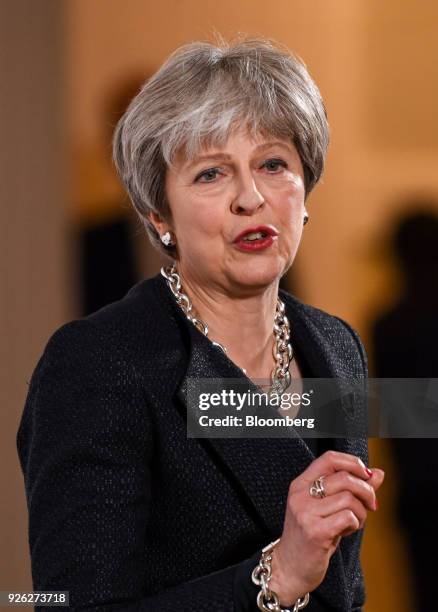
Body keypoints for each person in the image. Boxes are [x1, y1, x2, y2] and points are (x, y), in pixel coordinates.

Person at [17, 37, 385, 611]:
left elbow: (345, 590)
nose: (251, 197)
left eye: (273, 164)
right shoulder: (98, 363)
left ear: (305, 189)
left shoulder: (338, 349)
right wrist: (275, 577)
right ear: (158, 215)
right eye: (211, 174)